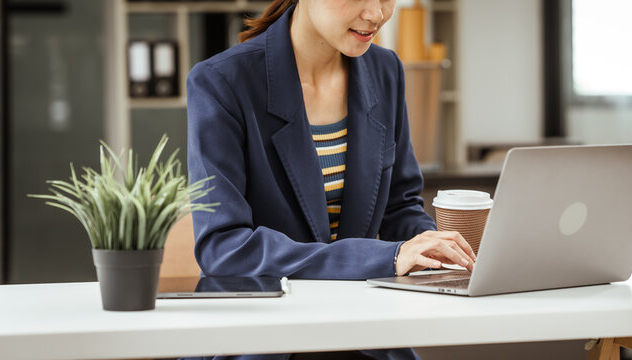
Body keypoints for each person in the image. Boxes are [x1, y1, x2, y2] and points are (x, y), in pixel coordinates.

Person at [186, 0, 476, 359]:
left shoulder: (385, 70)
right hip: (263, 339)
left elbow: (399, 207)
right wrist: (387, 257)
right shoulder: (221, 81)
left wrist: (440, 253)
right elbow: (224, 248)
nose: (376, 14)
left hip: (361, 333)